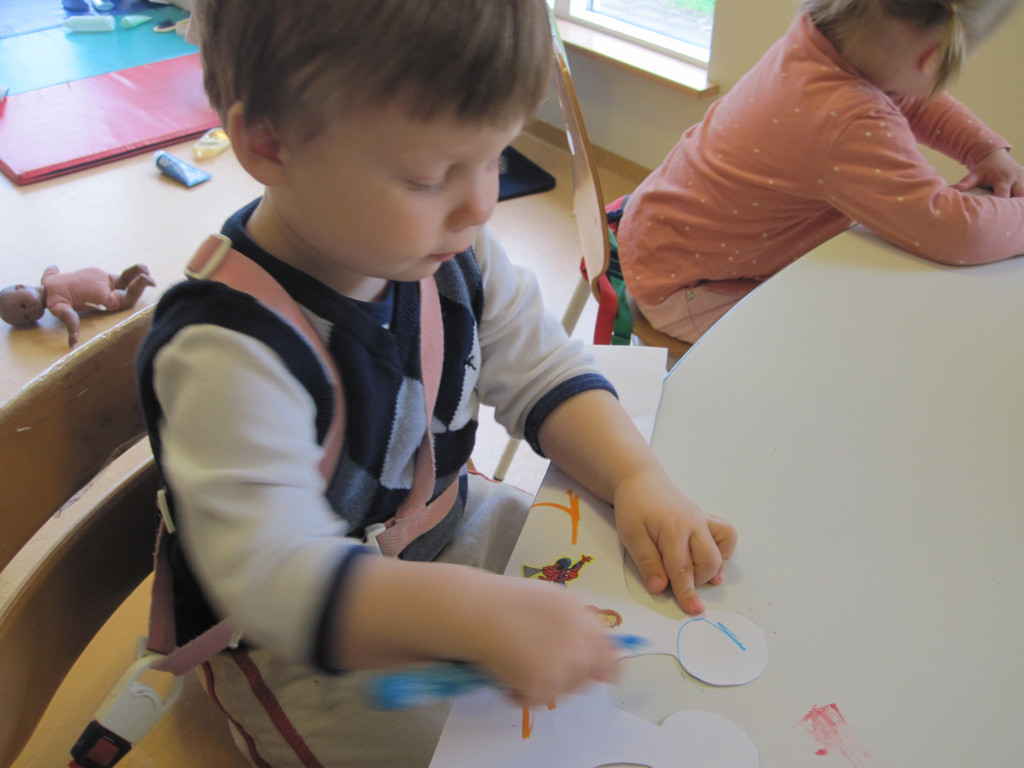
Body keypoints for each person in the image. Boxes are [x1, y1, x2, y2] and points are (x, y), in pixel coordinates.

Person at [133, 1, 738, 766]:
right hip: (303, 638)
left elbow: (544, 370)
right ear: (269, 144)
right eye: (430, 176)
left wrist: (635, 476)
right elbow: (276, 578)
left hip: (447, 527)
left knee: (616, 603)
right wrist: (470, 617)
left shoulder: (447, 247)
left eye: (495, 158)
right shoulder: (226, 353)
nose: (482, 203)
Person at [614, 0, 1024, 345]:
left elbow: (908, 98)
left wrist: (983, 149)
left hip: (655, 238)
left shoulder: (815, 41)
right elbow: (954, 230)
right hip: (685, 289)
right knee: (842, 346)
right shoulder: (847, 121)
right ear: (930, 57)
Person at [0, 264, 154, 347]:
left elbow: (71, 315)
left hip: (98, 295)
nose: (30, 311)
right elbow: (52, 267)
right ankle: (136, 270)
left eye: (23, 305)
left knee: (127, 300)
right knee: (120, 281)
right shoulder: (48, 278)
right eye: (26, 317)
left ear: (21, 286)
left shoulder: (54, 303)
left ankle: (141, 282)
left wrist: (73, 333)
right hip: (95, 273)